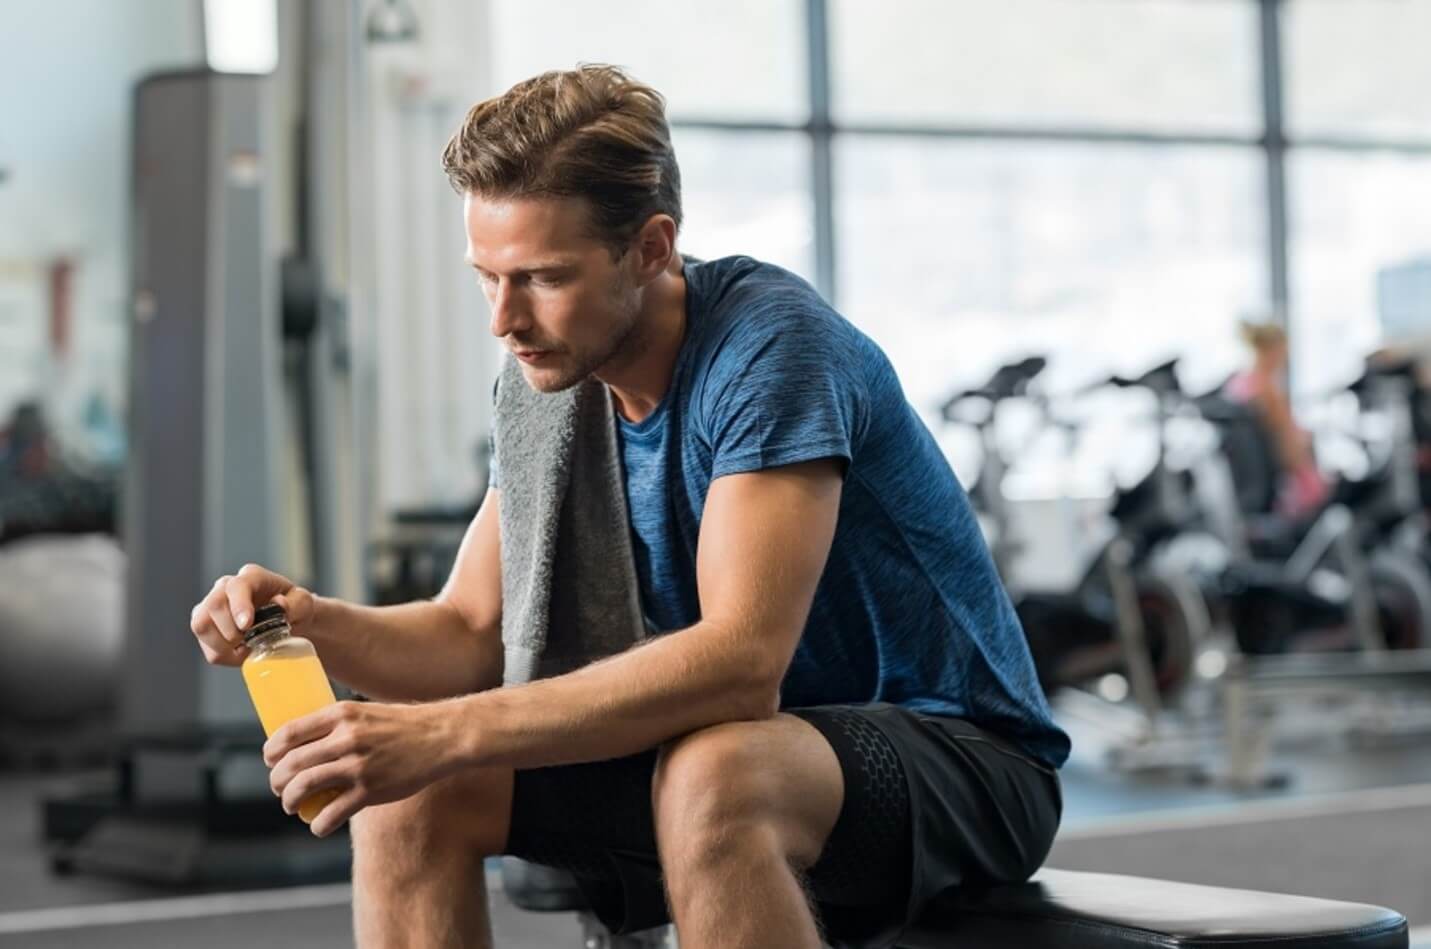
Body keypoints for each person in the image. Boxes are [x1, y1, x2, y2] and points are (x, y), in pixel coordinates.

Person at [188, 65, 1068, 949]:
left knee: (715, 771)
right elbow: (466, 632)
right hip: (743, 747)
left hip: (963, 758)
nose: (504, 318)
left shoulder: (772, 350)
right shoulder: (545, 384)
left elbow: (738, 664)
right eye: (487, 277)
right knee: (413, 795)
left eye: (541, 277)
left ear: (650, 247)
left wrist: (447, 730)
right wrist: (307, 621)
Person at [1224, 320, 1328, 520]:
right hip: (1287, 491)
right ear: (1274, 351)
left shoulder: (1237, 385)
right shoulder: (1267, 392)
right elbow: (1290, 452)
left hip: (1250, 488)